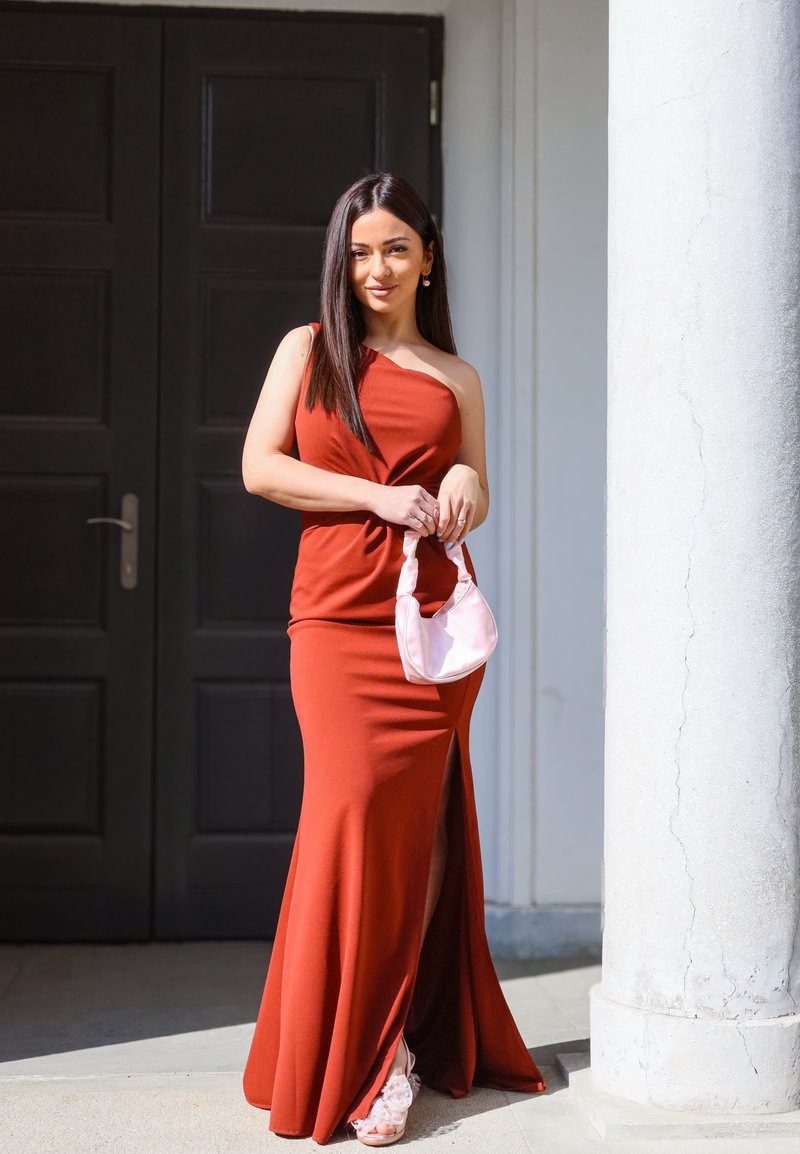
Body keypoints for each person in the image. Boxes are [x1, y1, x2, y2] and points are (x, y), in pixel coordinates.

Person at [240, 171, 546, 1146]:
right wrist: (373, 496)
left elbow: (481, 492)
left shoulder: (457, 379)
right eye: (360, 250)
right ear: (344, 258)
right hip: (333, 624)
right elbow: (261, 465)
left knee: (416, 842)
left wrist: (460, 474)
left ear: (426, 257)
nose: (375, 267)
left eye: (394, 248)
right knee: (347, 820)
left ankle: (390, 1048)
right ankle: (349, 1050)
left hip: (430, 637)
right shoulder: (309, 351)